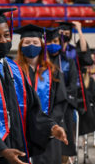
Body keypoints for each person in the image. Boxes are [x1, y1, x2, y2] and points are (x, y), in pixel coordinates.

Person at [0, 8, 68, 164]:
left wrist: (51, 128)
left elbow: (33, 109)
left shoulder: (14, 69)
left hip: (17, 150)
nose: (4, 41)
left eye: (6, 35)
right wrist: (0, 150)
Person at [14, 24, 68, 164]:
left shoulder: (54, 72)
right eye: (27, 43)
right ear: (21, 46)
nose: (31, 45)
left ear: (42, 46)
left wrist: (49, 125)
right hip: (21, 131)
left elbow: (60, 102)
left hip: (48, 133)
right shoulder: (13, 72)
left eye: (35, 42)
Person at [46, 28, 78, 162]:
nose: (52, 44)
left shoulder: (68, 62)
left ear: (60, 42)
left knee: (64, 142)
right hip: (45, 105)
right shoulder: (41, 63)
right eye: (49, 42)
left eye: (55, 41)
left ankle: (64, 159)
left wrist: (61, 98)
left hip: (64, 106)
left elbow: (72, 86)